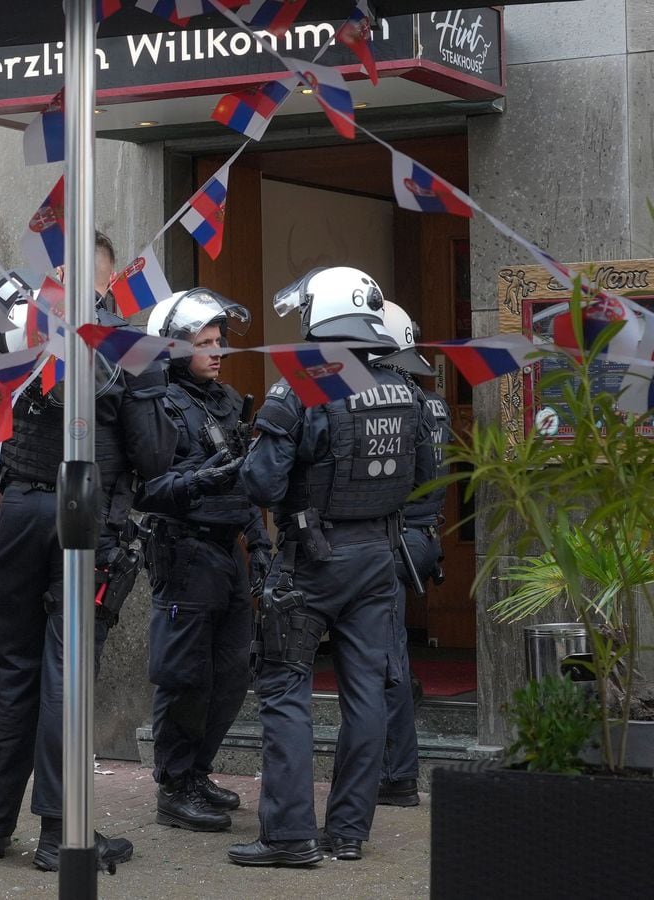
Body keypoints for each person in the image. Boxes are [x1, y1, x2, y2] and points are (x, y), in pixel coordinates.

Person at [0, 245, 177, 871]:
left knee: (15, 671)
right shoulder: (123, 348)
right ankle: (62, 832)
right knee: (67, 673)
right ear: (106, 279)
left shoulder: (17, 342)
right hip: (78, 517)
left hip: (20, 516)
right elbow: (155, 456)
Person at [229, 266, 435, 867]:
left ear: (320, 316)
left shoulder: (302, 387)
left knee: (286, 689)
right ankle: (348, 832)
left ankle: (289, 836)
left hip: (310, 559)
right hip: (379, 560)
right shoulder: (405, 389)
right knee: (367, 694)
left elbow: (263, 482)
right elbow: (424, 478)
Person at [134, 288, 271, 833]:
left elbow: (245, 483)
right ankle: (174, 785)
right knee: (184, 676)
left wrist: (259, 544)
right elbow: (147, 488)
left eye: (219, 341)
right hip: (184, 551)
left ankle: (198, 771)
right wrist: (200, 479)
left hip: (228, 553)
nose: (217, 352)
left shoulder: (226, 401)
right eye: (205, 343)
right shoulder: (159, 404)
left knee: (234, 673)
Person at [371, 302, 452, 809]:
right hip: (423, 537)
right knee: (389, 655)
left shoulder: (400, 406)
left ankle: (398, 773)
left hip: (396, 539)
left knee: (386, 660)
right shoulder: (434, 402)